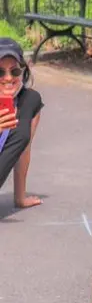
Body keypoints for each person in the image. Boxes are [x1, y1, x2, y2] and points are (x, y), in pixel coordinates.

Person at [0, 38, 42, 209]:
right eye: (0, 72)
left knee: (21, 132)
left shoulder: (29, 101)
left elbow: (23, 149)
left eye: (14, 71)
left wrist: (20, 198)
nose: (8, 78)